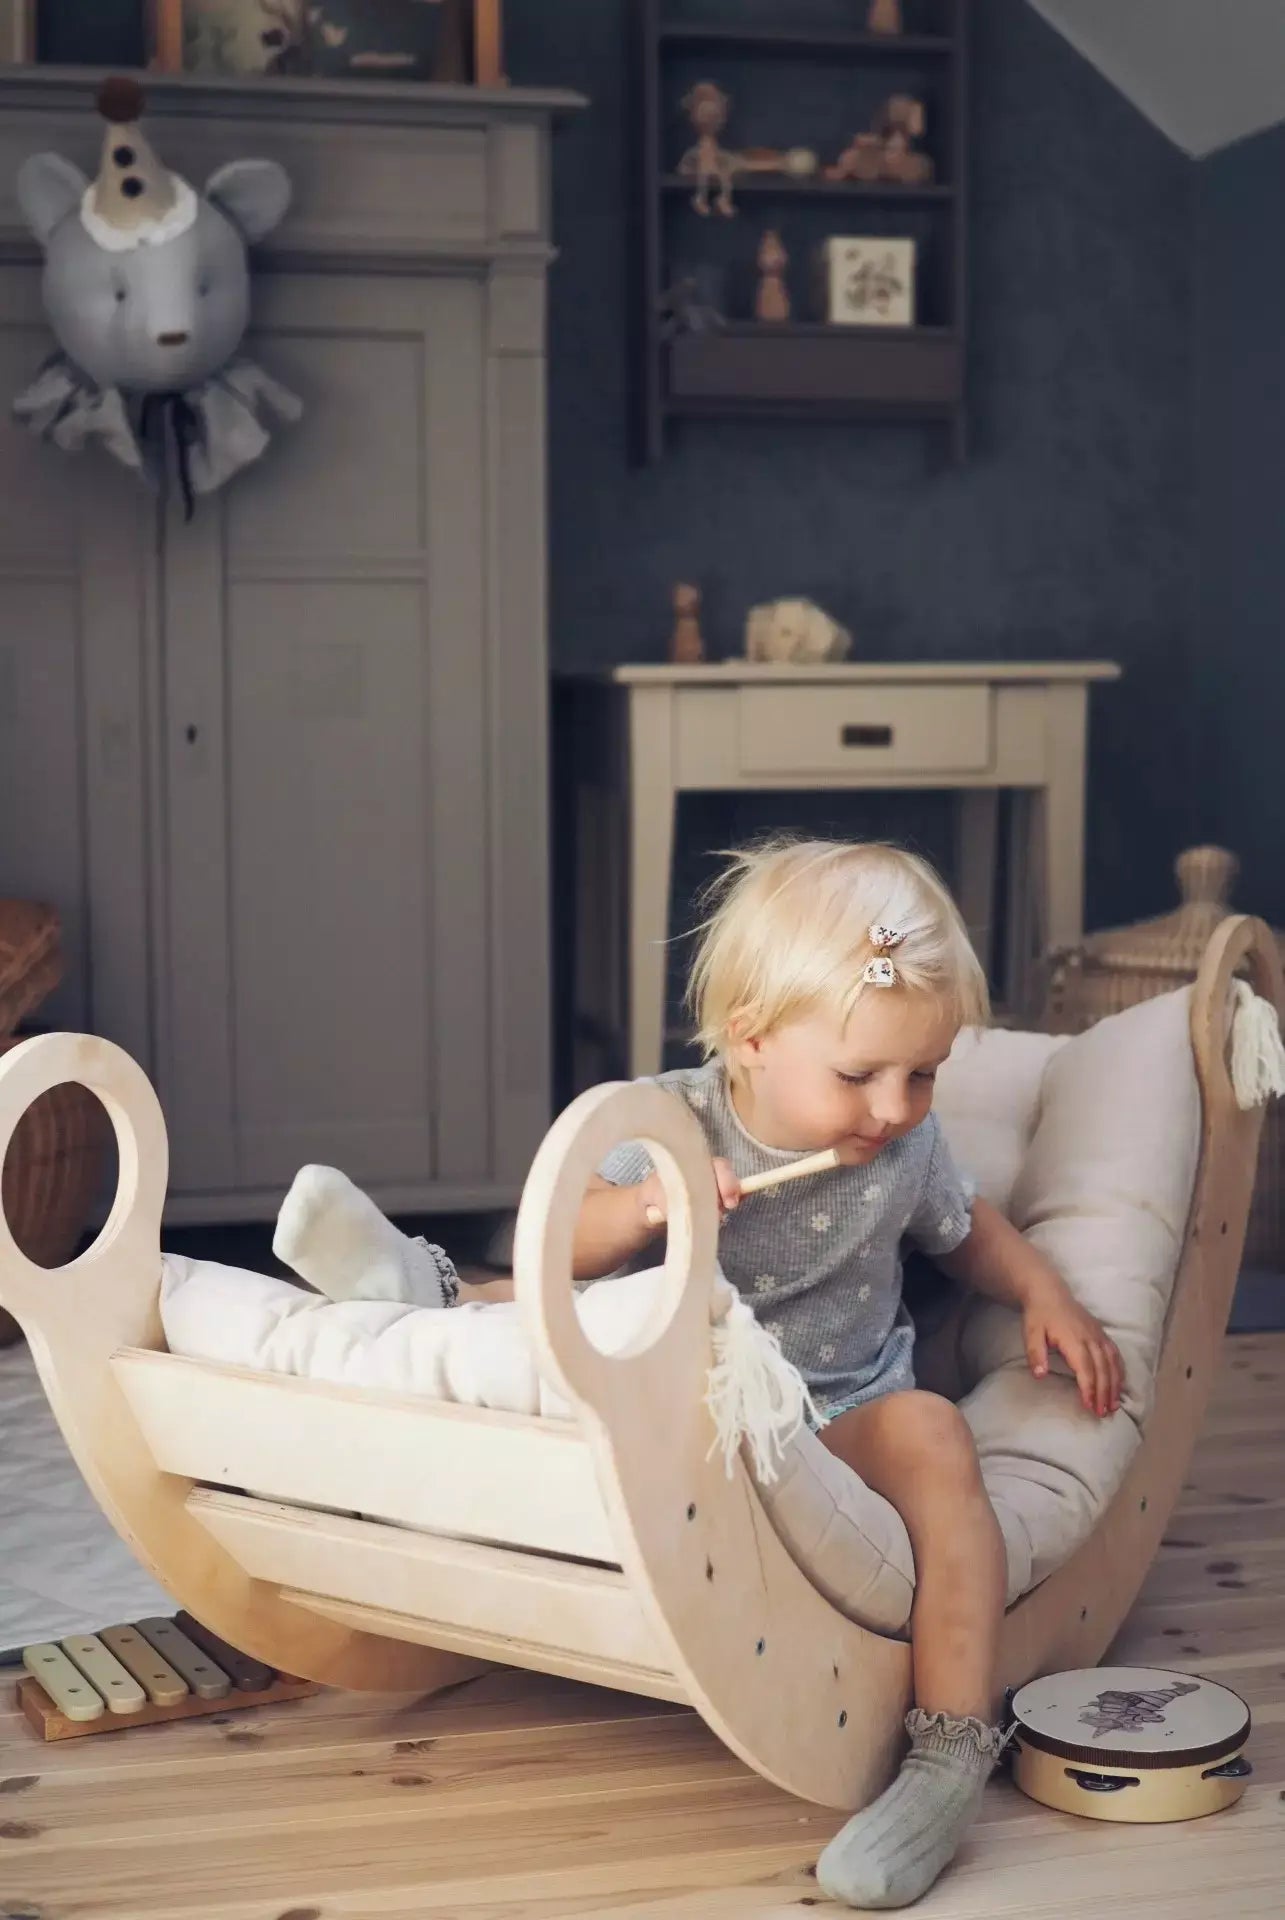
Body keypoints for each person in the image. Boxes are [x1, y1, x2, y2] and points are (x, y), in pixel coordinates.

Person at [273, 836, 1124, 1911]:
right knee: (585, 1313)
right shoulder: (672, 1121)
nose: (896, 1107)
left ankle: (948, 1755)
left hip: (835, 1426)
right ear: (751, 1039)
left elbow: (965, 1231)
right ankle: (420, 1291)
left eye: (924, 1074)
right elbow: (570, 1236)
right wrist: (647, 1207)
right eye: (861, 1076)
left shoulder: (904, 1149)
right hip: (691, 1411)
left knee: (935, 1435)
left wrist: (1041, 1288)